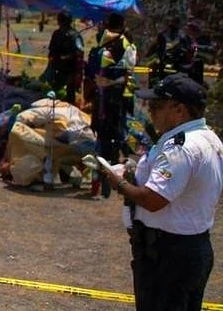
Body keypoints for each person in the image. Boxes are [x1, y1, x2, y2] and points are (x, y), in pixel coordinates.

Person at [99, 74, 221, 311]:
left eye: (158, 106)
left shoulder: (180, 147)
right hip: (191, 248)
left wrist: (119, 183)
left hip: (168, 254)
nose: (151, 112)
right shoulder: (208, 138)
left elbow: (154, 200)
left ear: (179, 109)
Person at [90, 12, 136, 198]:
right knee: (107, 139)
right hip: (110, 99)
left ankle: (108, 184)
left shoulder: (118, 44)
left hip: (112, 100)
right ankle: (104, 182)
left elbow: (125, 73)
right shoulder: (117, 44)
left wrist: (107, 83)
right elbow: (127, 72)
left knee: (110, 140)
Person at [44, 10, 84, 104]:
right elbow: (51, 50)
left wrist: (67, 58)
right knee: (54, 92)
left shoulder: (75, 36)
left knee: (69, 94)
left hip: (70, 70)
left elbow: (79, 52)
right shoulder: (56, 34)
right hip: (57, 69)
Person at [145, 16, 196, 82]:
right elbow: (155, 46)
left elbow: (189, 49)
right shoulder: (181, 35)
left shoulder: (182, 36)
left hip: (174, 65)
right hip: (169, 65)